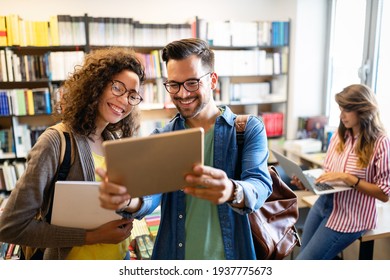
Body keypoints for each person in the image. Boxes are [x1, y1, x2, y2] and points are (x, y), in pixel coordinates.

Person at [97, 38, 273, 260]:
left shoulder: (247, 129)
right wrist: (128, 201)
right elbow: (151, 194)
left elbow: (260, 184)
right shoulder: (162, 138)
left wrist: (231, 190)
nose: (182, 93)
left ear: (213, 81)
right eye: (174, 84)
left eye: (192, 82)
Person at [0, 47, 146, 260]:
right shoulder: (54, 142)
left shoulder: (115, 142)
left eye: (132, 95)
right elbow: (11, 227)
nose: (124, 101)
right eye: (117, 88)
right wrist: (92, 236)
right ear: (96, 86)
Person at [293, 84, 390, 260]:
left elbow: (384, 194)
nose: (341, 115)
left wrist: (348, 178)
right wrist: (308, 184)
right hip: (323, 205)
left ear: (362, 110)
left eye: (347, 110)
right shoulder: (339, 136)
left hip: (351, 216)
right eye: (340, 109)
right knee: (303, 257)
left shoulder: (380, 142)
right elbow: (330, 175)